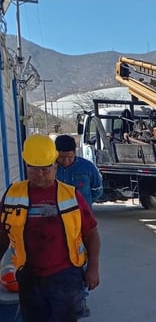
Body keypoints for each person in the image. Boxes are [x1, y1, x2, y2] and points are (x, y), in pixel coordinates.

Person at [0, 134, 100, 321]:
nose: (40, 174)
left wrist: (93, 267)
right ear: (26, 165)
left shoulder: (71, 195)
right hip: (28, 275)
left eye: (46, 169)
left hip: (66, 276)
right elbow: (2, 234)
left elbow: (91, 233)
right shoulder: (12, 195)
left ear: (55, 166)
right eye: (34, 169)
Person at [55, 134, 103, 209]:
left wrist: (84, 202)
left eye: (70, 157)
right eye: (62, 157)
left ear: (75, 152)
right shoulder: (49, 169)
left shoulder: (87, 167)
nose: (66, 160)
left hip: (82, 213)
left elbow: (97, 190)